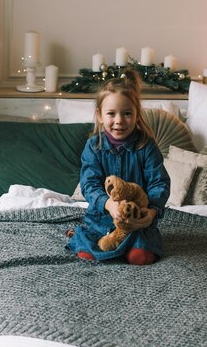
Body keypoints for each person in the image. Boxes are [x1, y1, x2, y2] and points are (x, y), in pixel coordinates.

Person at [67, 69, 170, 265]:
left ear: (137, 115)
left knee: (139, 257)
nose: (119, 121)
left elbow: (159, 183)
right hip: (101, 218)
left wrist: (151, 213)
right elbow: (89, 184)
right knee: (87, 253)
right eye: (111, 114)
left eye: (127, 113)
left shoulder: (146, 146)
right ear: (99, 115)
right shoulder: (94, 146)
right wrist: (109, 205)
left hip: (137, 219)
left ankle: (132, 247)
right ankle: (89, 240)